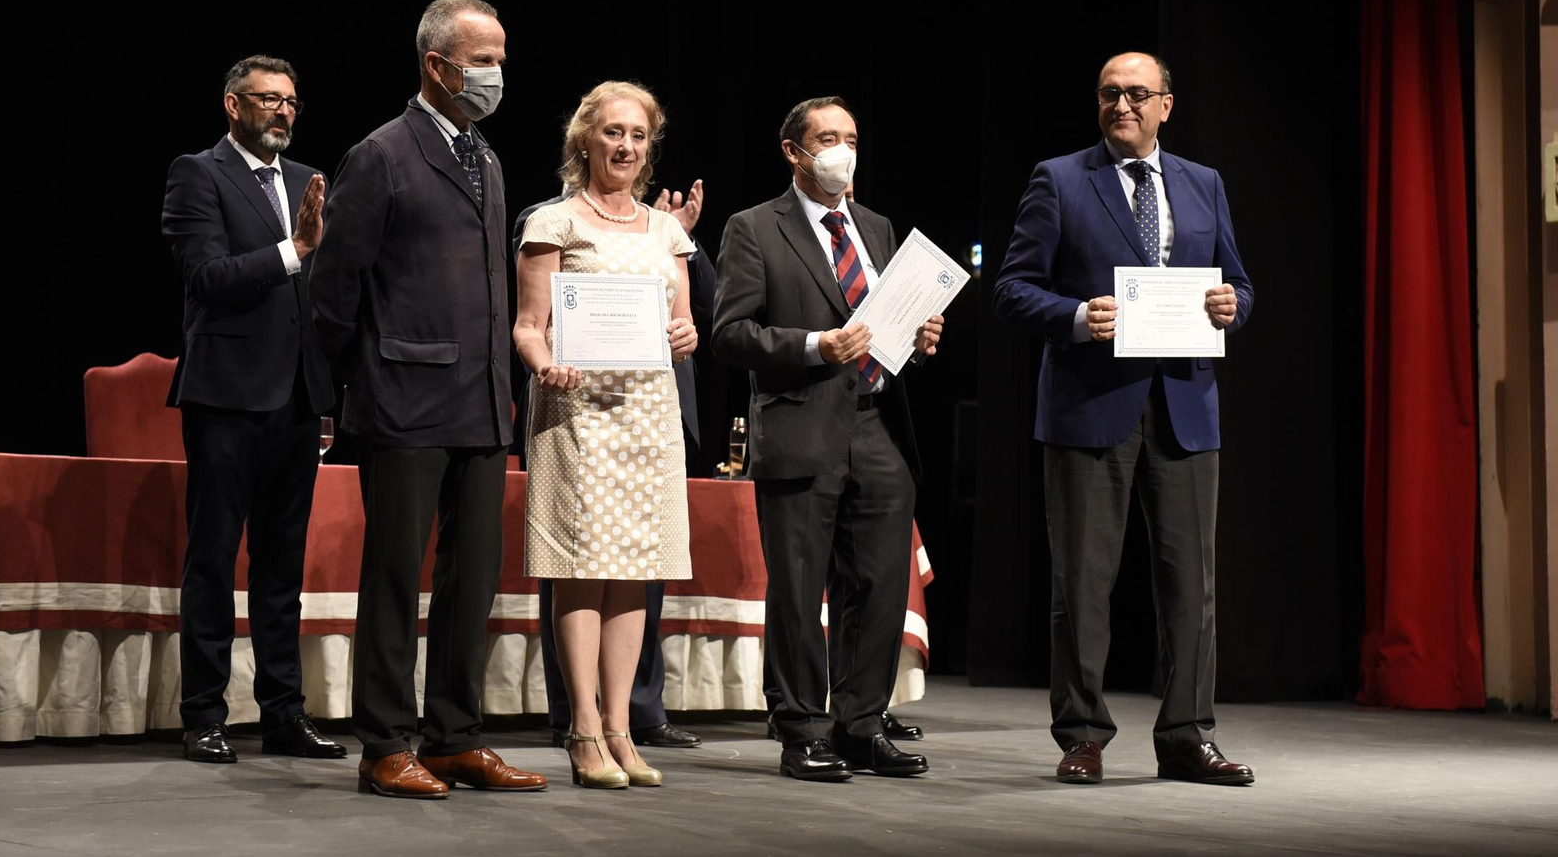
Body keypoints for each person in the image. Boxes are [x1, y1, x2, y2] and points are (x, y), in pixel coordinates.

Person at [992, 51, 1256, 786]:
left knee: (1191, 586)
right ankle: (1082, 735)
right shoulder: (1060, 179)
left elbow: (1238, 283)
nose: (1122, 105)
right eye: (1110, 93)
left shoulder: (1204, 183)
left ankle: (1188, 736)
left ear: (1166, 104)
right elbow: (1012, 288)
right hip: (1088, 405)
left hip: (1184, 407)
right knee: (1082, 584)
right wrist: (1077, 316)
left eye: (1138, 93)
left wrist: (1233, 306)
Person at [309, 0, 546, 799]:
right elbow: (335, 287)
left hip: (481, 403)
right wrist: (350, 382)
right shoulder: (381, 154)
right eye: (483, 60)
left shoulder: (488, 157)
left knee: (471, 577)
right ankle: (384, 742)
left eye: (502, 59)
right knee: (393, 574)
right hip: (402, 400)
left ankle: (454, 736)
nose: (497, 74)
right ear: (437, 66)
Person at [712, 96, 942, 782]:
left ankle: (861, 725)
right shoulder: (755, 227)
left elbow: (888, 326)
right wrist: (817, 344)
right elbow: (730, 333)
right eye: (828, 138)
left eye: (851, 138)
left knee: (878, 586)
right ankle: (801, 729)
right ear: (794, 151)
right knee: (798, 587)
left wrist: (920, 338)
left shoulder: (875, 226)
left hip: (878, 425)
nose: (843, 151)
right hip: (801, 423)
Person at [512, 81, 698, 789]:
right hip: (578, 416)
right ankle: (582, 728)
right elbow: (528, 328)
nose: (625, 146)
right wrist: (545, 364)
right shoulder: (553, 222)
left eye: (638, 135)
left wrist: (685, 335)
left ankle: (621, 728)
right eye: (613, 132)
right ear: (584, 139)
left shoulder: (667, 232)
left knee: (634, 571)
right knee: (582, 568)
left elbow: (682, 325)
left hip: (649, 417)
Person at [161, 54, 346, 764]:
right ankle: (204, 714)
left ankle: (283, 714)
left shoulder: (308, 181)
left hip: (297, 399)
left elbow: (324, 289)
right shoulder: (198, 173)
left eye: (291, 101)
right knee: (213, 558)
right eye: (268, 99)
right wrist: (294, 249)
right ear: (233, 105)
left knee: (282, 566)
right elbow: (207, 277)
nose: (283, 111)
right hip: (227, 396)